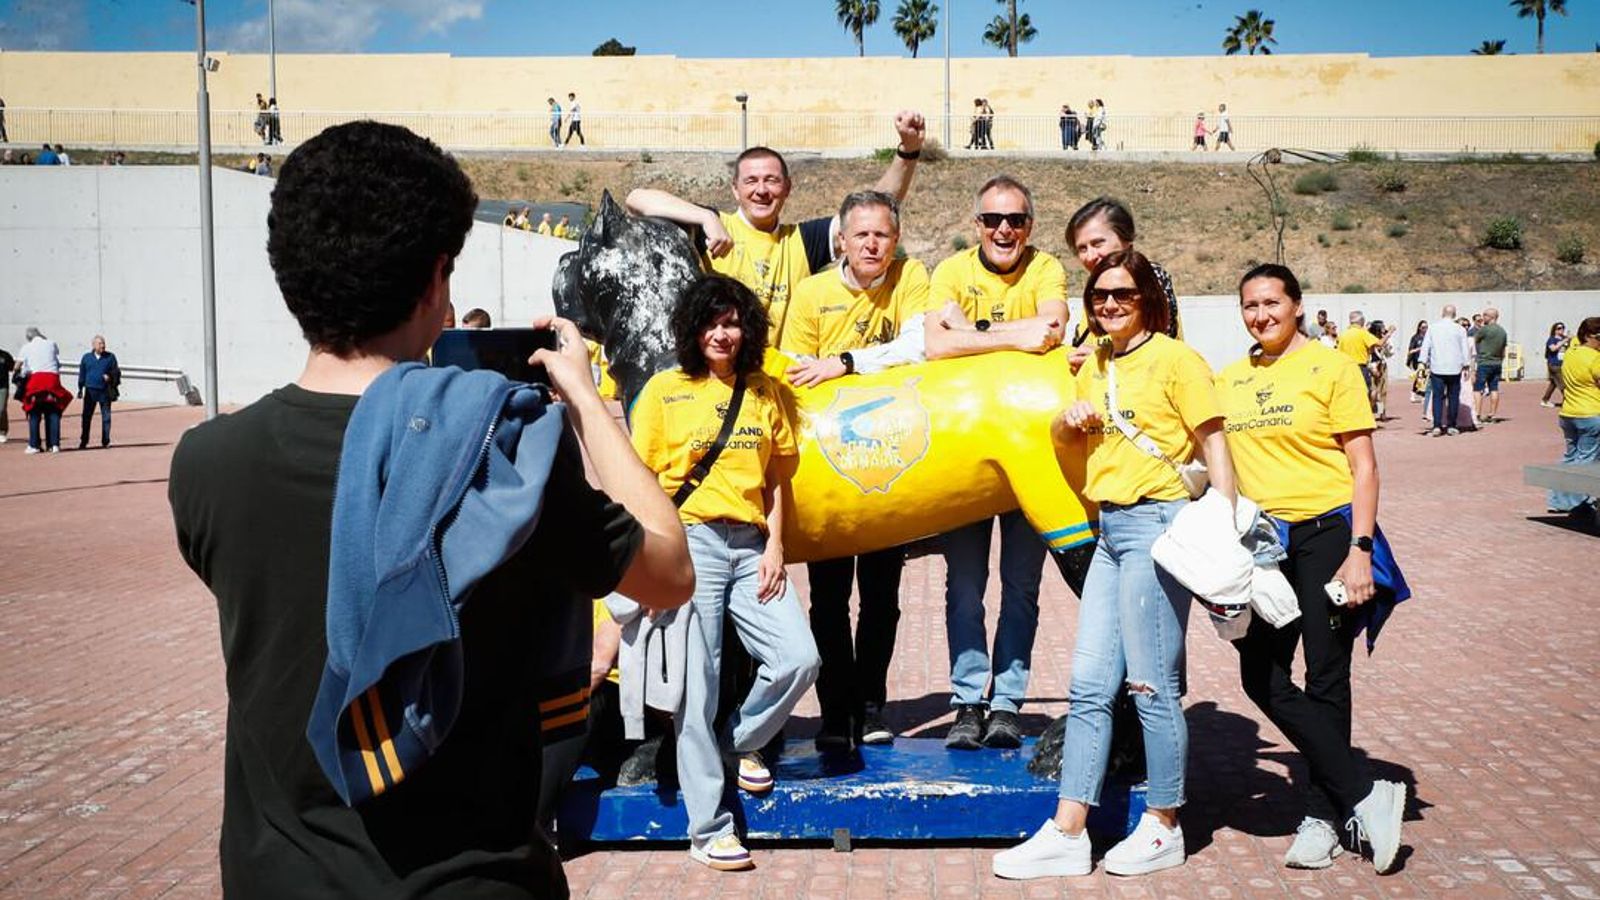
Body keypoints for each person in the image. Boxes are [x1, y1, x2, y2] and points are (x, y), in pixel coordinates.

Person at [165, 121, 693, 898]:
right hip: (472, 877)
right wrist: (585, 400)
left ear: (290, 276)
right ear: (436, 280)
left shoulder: (206, 463)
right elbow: (669, 572)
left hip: (279, 876)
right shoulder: (509, 453)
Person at [994, 249, 1234, 880]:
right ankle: (1068, 830)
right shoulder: (1095, 363)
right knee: (1089, 687)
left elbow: (1214, 443)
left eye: (1122, 294)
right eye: (1099, 296)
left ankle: (1164, 823)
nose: (1109, 305)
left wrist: (1224, 520)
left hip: (1158, 525)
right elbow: (1069, 444)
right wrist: (1065, 424)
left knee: (1151, 686)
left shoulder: (1178, 360)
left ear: (1147, 298)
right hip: (1109, 529)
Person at [1215, 263, 1411, 875]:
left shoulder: (1333, 368)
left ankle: (1323, 818)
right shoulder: (1229, 379)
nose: (1261, 315)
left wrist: (1360, 549)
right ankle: (1364, 789)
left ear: (1297, 305)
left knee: (1326, 674)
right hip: (1264, 543)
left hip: (1328, 534)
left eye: (1272, 302)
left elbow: (1364, 466)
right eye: (1250, 305)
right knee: (1260, 675)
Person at [630, 274, 820, 871]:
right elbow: (640, 484)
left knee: (799, 658)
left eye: (733, 322)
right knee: (699, 685)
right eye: (711, 322)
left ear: (748, 329)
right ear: (693, 328)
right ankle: (709, 827)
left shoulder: (765, 392)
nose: (722, 333)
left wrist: (776, 547)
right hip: (693, 544)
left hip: (753, 545)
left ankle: (738, 740)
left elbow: (776, 480)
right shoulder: (664, 391)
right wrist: (654, 562)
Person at [778, 190, 931, 747]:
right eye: (861, 234)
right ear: (840, 240)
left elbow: (918, 347)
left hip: (890, 461)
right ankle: (835, 711)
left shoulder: (911, 277)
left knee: (882, 597)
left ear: (896, 240)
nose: (871, 244)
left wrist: (844, 364)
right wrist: (849, 371)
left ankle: (871, 707)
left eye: (882, 234)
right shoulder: (812, 292)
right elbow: (798, 371)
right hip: (831, 468)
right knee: (828, 597)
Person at [923, 176, 1068, 749]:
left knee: (1021, 588)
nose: (1003, 230)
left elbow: (1051, 331)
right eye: (992, 220)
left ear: (1029, 225)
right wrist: (1016, 334)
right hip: (966, 458)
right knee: (964, 588)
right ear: (976, 224)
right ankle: (967, 701)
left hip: (1030, 458)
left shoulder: (1046, 268)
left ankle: (1006, 702)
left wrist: (972, 329)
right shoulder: (950, 271)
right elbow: (936, 346)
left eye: (1015, 220)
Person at [625, 110, 925, 347]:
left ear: (787, 188)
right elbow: (636, 199)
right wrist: (705, 217)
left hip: (776, 382)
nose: (761, 190)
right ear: (735, 189)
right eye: (751, 181)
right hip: (720, 380)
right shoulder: (713, 228)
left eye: (771, 180)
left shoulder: (802, 241)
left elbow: (872, 211)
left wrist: (908, 151)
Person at [1066, 197, 1182, 370]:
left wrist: (1103, 357)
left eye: (1097, 244)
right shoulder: (1096, 288)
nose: (1090, 256)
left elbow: (1156, 351)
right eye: (1082, 248)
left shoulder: (1150, 277)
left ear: (1126, 240)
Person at [1549, 317, 1600, 515]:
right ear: (1589, 336)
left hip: (1568, 413)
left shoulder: (1571, 352)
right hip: (1591, 413)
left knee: (1570, 457)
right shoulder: (1595, 358)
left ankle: (1558, 501)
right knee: (1586, 460)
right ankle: (1577, 504)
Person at [1419, 303, 1474, 436]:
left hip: (1437, 367)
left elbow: (1426, 346)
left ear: (1442, 313)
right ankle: (1452, 425)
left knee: (1437, 397)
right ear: (1454, 315)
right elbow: (1465, 348)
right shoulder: (1460, 329)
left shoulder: (1433, 328)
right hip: (1455, 368)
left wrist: (1422, 362)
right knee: (1453, 397)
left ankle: (1437, 425)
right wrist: (1466, 365)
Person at [16, 326, 68, 454]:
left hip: (36, 381)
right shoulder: (51, 343)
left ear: (29, 338)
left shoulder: (26, 347)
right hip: (52, 381)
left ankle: (34, 445)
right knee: (53, 412)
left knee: (34, 413)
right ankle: (54, 445)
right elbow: (56, 361)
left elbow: (17, 366)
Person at [77, 334, 119, 450]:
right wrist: (80, 388)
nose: (103, 346)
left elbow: (116, 372)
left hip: (104, 391)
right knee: (86, 417)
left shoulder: (110, 357)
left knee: (106, 417)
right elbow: (82, 373)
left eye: (103, 343)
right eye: (100, 344)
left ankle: (106, 441)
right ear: (94, 345)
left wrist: (110, 377)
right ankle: (84, 440)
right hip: (90, 391)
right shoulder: (86, 358)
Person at [1473, 307, 1508, 423]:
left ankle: (1477, 413)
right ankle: (1492, 414)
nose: (1483, 317)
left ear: (1492, 317)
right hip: (1497, 363)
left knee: (1478, 389)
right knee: (1494, 388)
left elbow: (1475, 340)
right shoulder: (1502, 331)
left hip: (1484, 362)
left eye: (1485, 315)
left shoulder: (1485, 329)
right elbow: (1504, 350)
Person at [1337, 310, 1382, 395]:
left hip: (1347, 368)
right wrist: (1389, 333)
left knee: (1350, 392)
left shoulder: (1343, 334)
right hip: (1360, 367)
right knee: (1364, 392)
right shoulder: (1362, 333)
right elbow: (1379, 343)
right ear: (1361, 320)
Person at [1543, 321, 1569, 408]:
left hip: (1562, 364)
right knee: (1563, 384)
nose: (1561, 330)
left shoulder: (1564, 339)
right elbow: (1553, 349)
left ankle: (1545, 400)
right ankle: (1568, 401)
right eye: (1559, 328)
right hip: (1554, 364)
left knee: (1553, 383)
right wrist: (1563, 341)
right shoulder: (1552, 339)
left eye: (1563, 328)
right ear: (1555, 330)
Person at [1405, 320, 1428, 406]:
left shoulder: (1428, 337)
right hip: (1417, 361)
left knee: (1425, 378)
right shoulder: (1415, 338)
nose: (1425, 329)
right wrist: (1419, 349)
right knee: (1419, 377)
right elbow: (1410, 351)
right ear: (1419, 328)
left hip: (1427, 360)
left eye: (1426, 327)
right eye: (1423, 327)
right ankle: (1414, 393)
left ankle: (1423, 396)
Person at [0, 344, 12, 443]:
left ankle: (2, 431)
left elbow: (13, 367)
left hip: (3, 386)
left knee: (1, 409)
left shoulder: (5, 355)